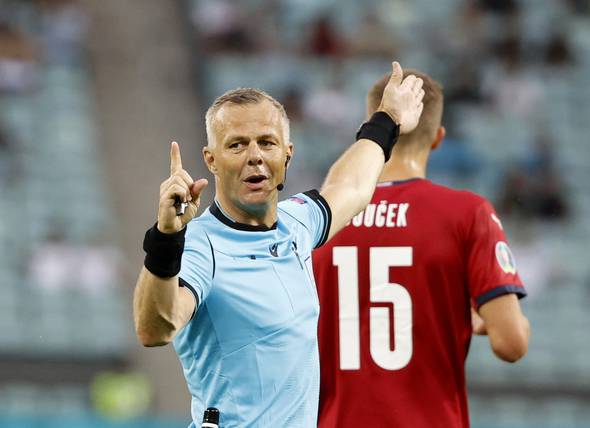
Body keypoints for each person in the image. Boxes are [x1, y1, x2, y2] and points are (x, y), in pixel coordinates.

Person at [133, 62, 424, 427]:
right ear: (212, 160)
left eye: (266, 142)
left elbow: (351, 188)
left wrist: (387, 119)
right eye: (236, 144)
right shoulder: (199, 245)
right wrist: (165, 237)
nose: (254, 155)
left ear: (287, 153)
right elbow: (155, 329)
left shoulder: (296, 223)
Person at [313, 69, 531, 428]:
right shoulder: (467, 213)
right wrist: (501, 321)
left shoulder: (318, 219)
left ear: (370, 127)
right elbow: (512, 344)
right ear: (438, 138)